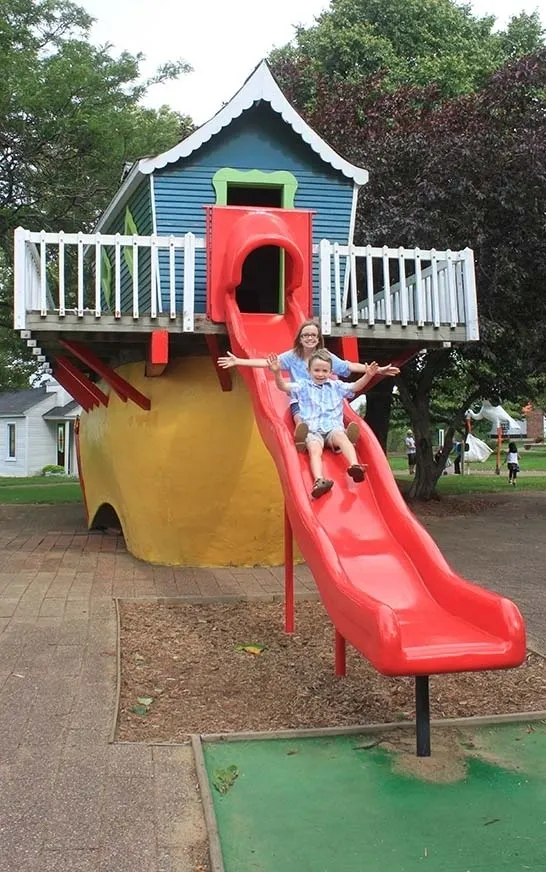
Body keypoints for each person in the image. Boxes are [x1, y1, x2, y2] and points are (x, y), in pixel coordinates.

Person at [217, 320, 400, 449]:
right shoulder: (292, 356)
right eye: (306, 335)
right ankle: (303, 437)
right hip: (301, 399)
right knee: (300, 419)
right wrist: (239, 361)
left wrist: (377, 370)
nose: (310, 338)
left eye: (313, 335)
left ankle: (337, 440)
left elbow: (348, 365)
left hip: (322, 401)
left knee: (332, 418)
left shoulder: (324, 356)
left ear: (318, 338)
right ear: (300, 338)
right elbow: (267, 363)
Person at [268, 349, 378, 499]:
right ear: (309, 370)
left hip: (333, 428)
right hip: (313, 430)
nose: (320, 374)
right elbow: (284, 387)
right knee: (314, 449)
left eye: (325, 371)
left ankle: (354, 466)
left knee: (342, 438)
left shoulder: (337, 386)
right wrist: (277, 373)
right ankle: (319, 480)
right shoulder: (303, 385)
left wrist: (368, 375)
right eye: (317, 370)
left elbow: (354, 386)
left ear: (330, 371)